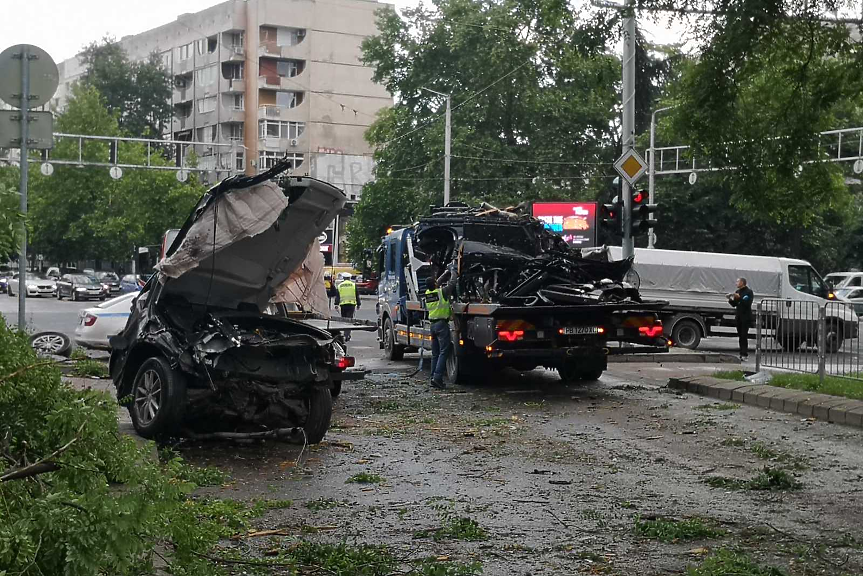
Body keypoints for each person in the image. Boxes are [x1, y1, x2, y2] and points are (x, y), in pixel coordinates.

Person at [425, 274, 457, 389]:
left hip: (432, 326)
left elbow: (436, 283)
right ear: (434, 284)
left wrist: (444, 274)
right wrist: (453, 271)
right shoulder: (441, 292)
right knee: (444, 351)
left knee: (435, 353)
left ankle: (433, 377)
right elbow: (452, 283)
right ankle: (437, 377)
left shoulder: (428, 294)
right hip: (441, 325)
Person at [727, 277, 754, 360]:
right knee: (740, 336)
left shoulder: (748, 292)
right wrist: (730, 299)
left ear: (742, 282)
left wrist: (739, 298)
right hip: (739, 316)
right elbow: (735, 304)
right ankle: (741, 353)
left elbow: (747, 303)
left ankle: (744, 354)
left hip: (746, 317)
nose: (736, 283)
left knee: (744, 335)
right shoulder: (737, 292)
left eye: (737, 281)